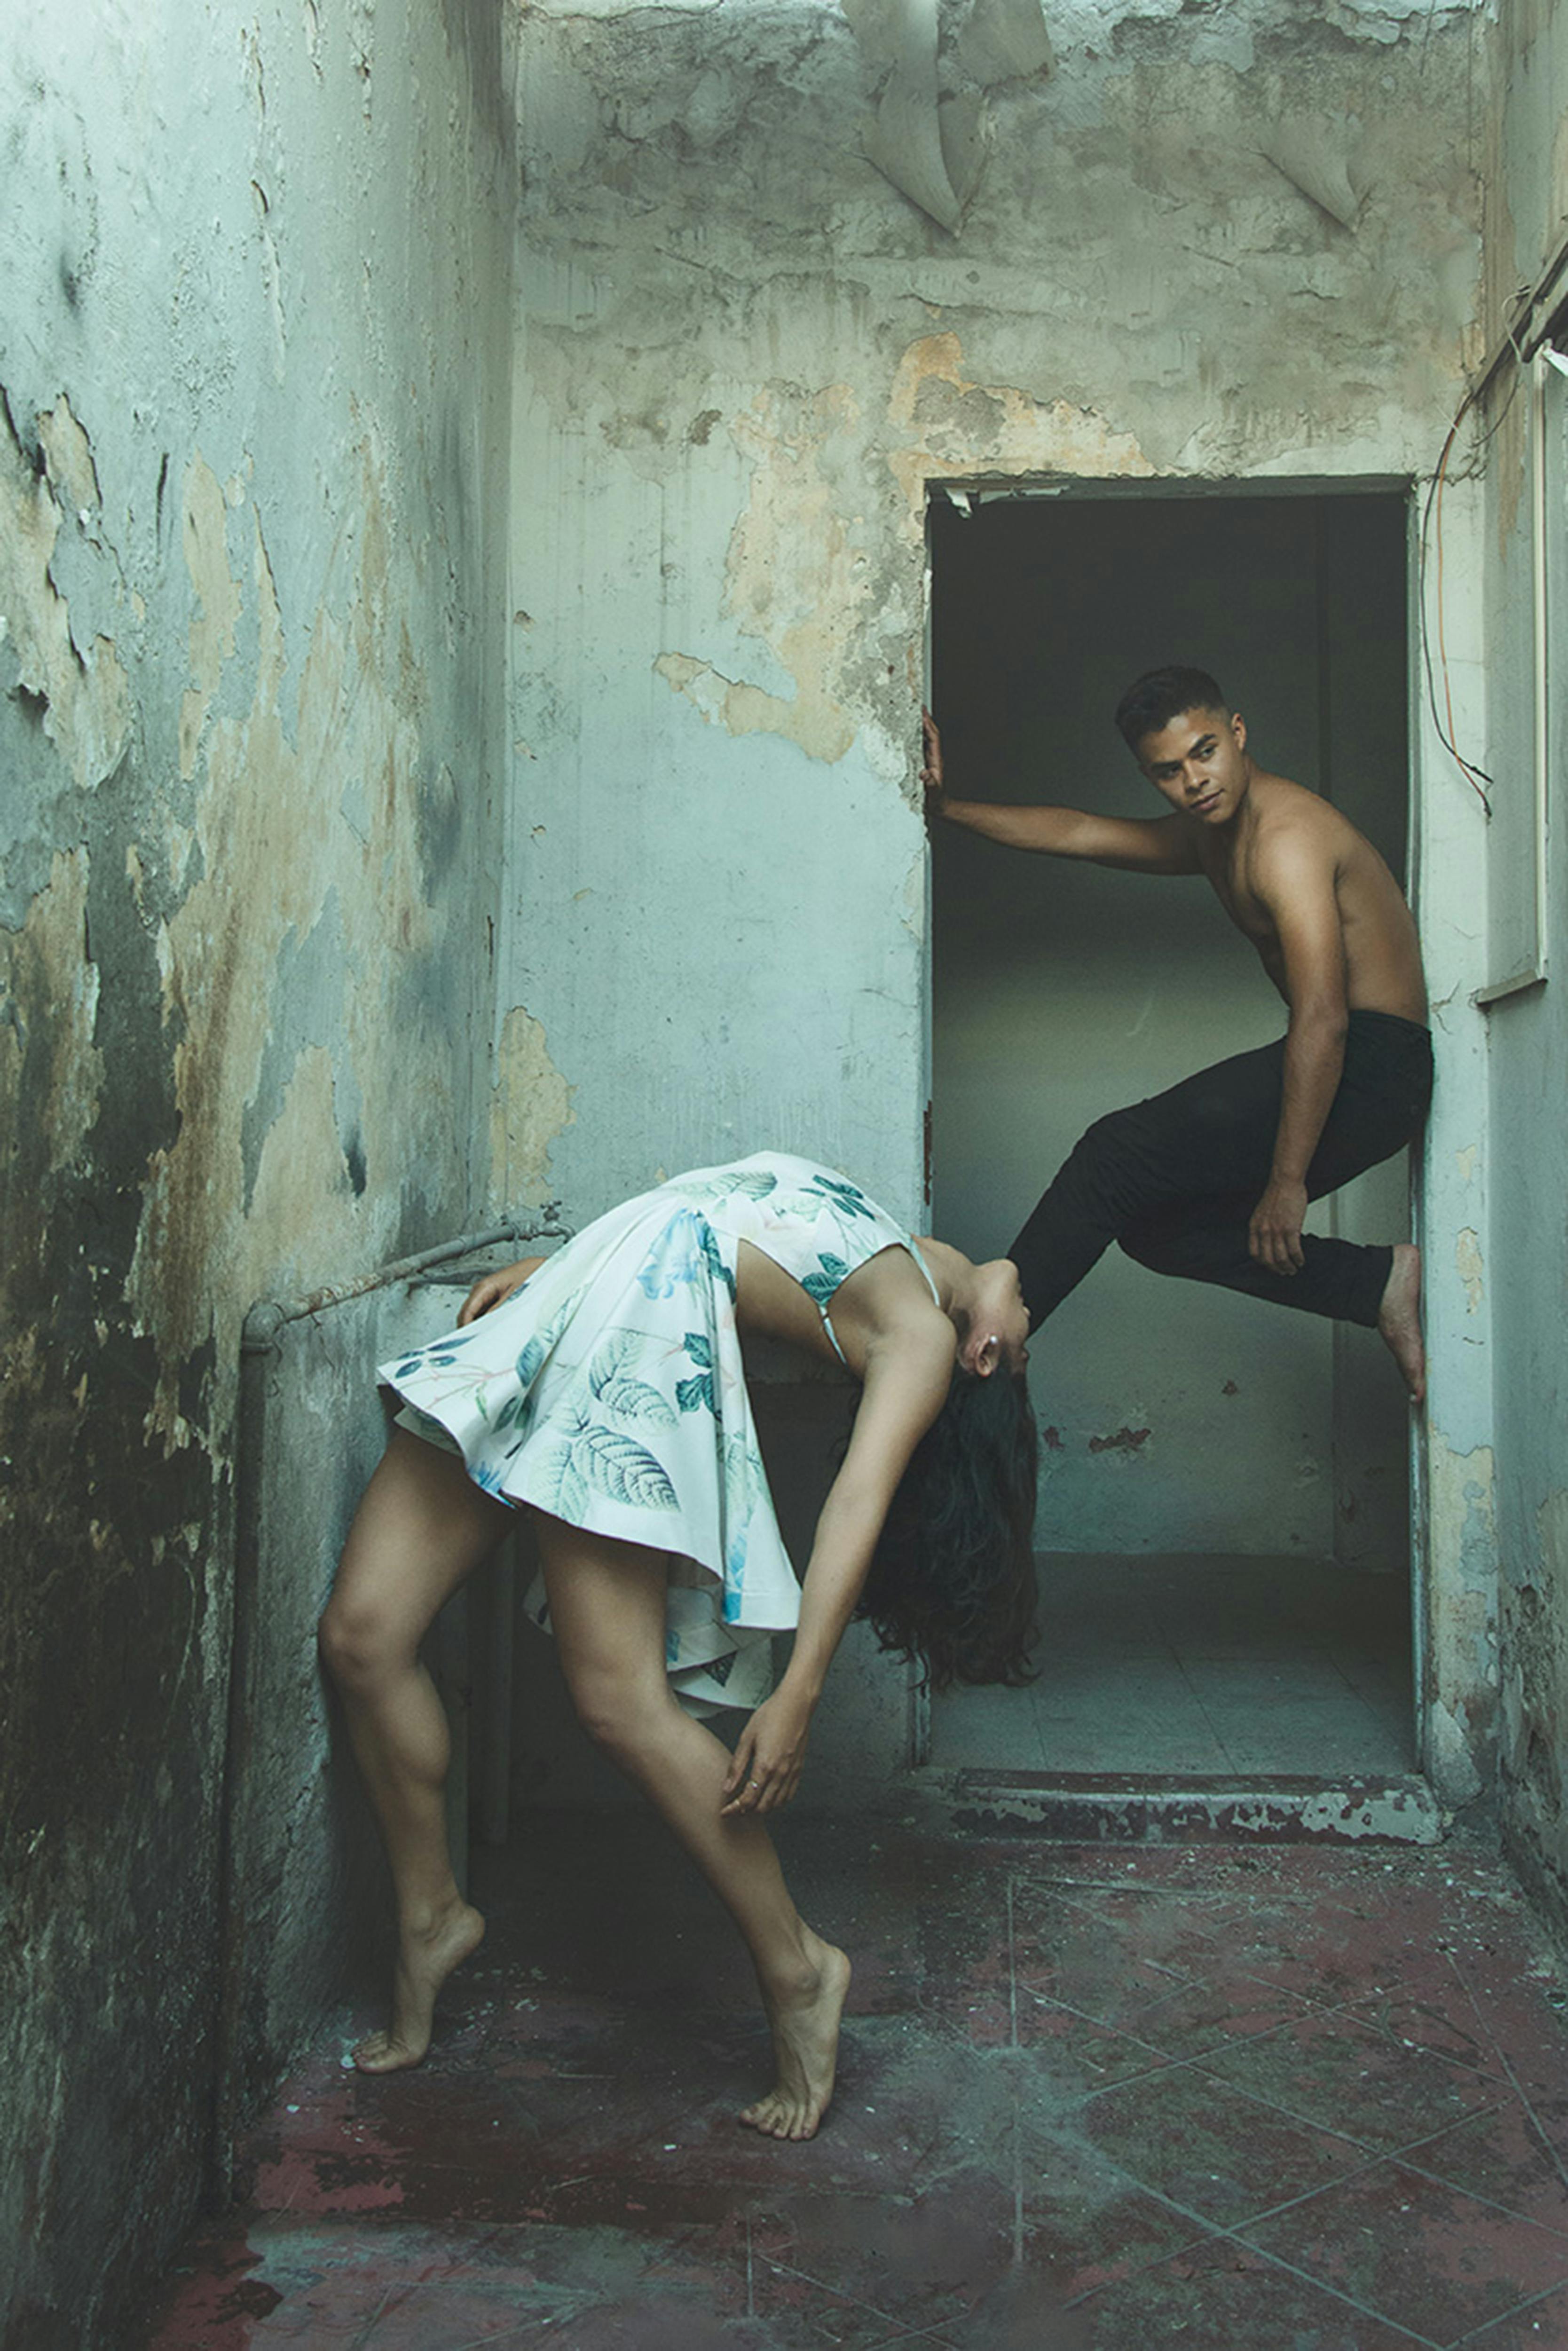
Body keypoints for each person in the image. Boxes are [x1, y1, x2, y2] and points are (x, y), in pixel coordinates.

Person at [318, 1150, 1038, 2139]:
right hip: (597, 1283)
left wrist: (797, 1696)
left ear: (980, 1368)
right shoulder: (939, 1267)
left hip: (637, 1323)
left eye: (1012, 1351)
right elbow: (992, 1273)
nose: (1019, 1327)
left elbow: (854, 1511)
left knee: (620, 1701)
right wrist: (567, 1264)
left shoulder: (918, 1334)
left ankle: (799, 1967)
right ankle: (431, 1914)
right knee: (362, 1636)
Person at [923, 664, 1432, 1400]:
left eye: (1205, 752)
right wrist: (948, 810)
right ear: (1149, 774)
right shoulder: (1210, 838)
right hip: (1352, 1066)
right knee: (1155, 1227)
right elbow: (1081, 832)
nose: (1194, 781)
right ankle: (1375, 1284)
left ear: (1237, 734)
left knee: (1113, 1158)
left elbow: (1324, 1018)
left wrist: (1288, 1183)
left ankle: (984, 1346)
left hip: (1373, 1067)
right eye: (1168, 771)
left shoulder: (1286, 841)